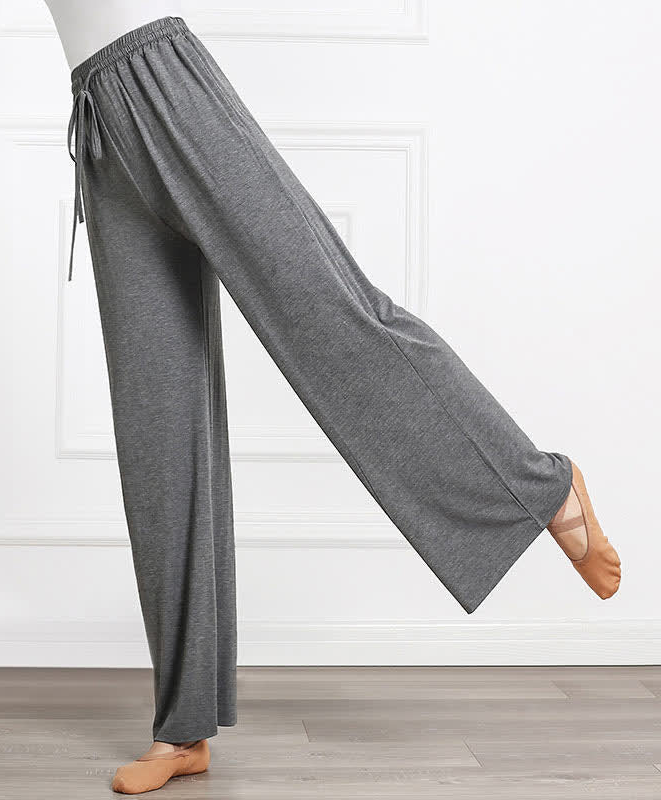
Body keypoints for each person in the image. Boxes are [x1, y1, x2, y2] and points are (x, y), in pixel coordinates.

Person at [43, 3, 622, 794]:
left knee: (328, 311)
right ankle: (182, 728)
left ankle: (538, 487)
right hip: (100, 114)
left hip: (164, 82)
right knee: (157, 420)